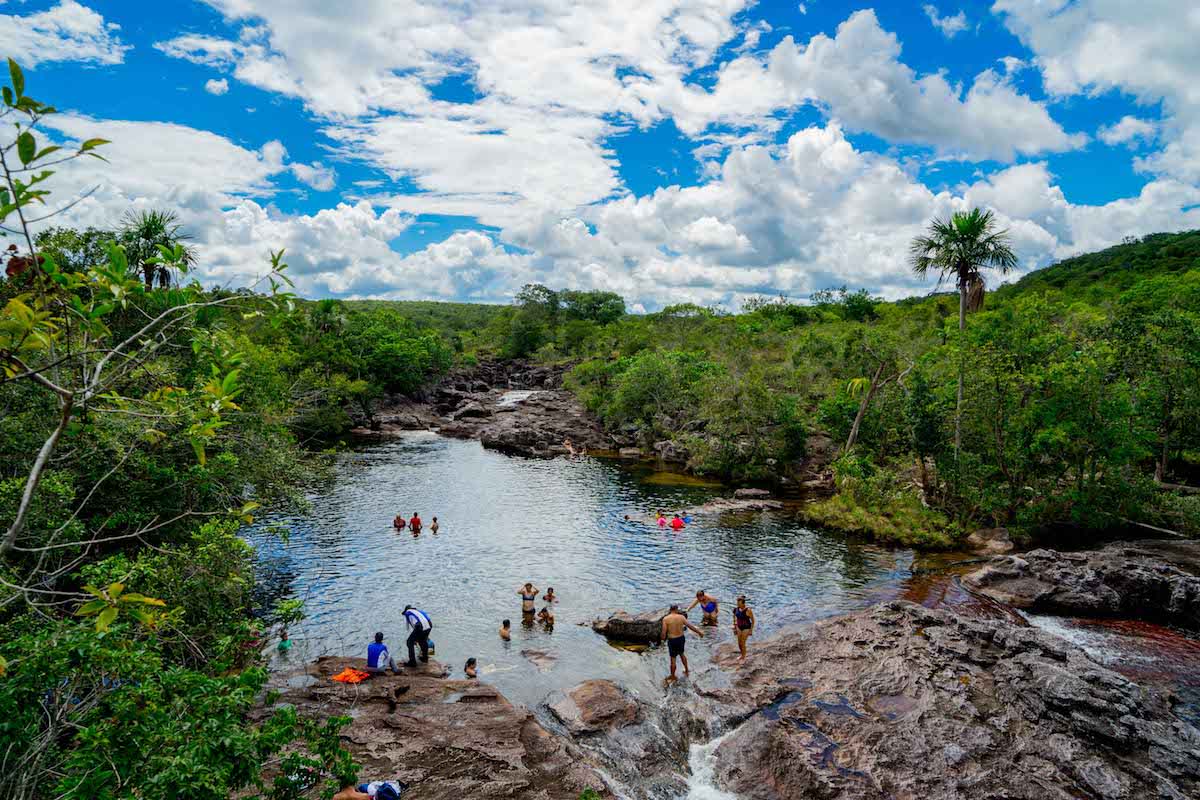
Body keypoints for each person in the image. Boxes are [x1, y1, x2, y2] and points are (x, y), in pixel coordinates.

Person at [661, 605, 704, 682]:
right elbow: (690, 626)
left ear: (670, 610)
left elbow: (664, 632)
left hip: (672, 640)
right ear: (676, 610)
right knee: (681, 654)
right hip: (681, 638)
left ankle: (673, 676)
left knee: (673, 659)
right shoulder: (681, 617)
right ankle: (687, 670)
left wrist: (662, 640)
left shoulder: (666, 619)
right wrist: (699, 632)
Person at [733, 595, 756, 660]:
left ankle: (743, 656)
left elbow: (753, 621)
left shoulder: (748, 610)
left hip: (746, 628)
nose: (737, 604)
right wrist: (734, 626)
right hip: (739, 627)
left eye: (739, 603)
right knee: (739, 643)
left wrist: (751, 630)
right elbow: (734, 617)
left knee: (743, 642)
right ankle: (742, 654)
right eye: (737, 603)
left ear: (743, 603)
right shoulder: (735, 609)